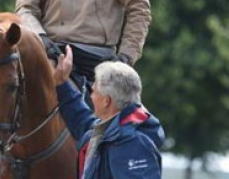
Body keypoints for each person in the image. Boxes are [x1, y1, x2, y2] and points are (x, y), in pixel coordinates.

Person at [15, 0, 152, 99]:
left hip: (97, 58)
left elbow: (139, 7)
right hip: (51, 53)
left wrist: (125, 57)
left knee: (128, 119)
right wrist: (42, 39)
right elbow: (25, 10)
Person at [53, 45, 165, 179]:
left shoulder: (132, 143)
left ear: (107, 101)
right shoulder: (107, 132)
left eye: (94, 91)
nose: (91, 96)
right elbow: (82, 120)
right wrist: (62, 83)